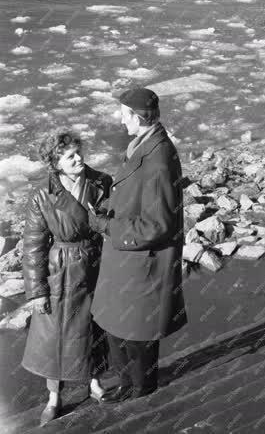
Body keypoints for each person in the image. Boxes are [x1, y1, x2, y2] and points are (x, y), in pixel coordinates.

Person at [89, 87, 187, 402]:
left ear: (137, 116)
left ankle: (141, 393)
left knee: (136, 335)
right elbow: (136, 196)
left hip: (141, 262)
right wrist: (110, 204)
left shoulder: (158, 157)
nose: (120, 118)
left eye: (123, 113)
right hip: (130, 260)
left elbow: (158, 224)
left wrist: (106, 224)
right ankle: (128, 386)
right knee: (120, 330)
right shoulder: (143, 145)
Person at [22, 130, 111, 426]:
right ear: (55, 163)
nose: (79, 158)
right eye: (70, 155)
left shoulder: (100, 182)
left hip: (97, 263)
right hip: (61, 271)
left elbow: (115, 219)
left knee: (95, 326)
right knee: (56, 336)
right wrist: (37, 291)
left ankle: (95, 382)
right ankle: (54, 397)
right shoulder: (43, 195)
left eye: (79, 152)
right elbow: (33, 246)